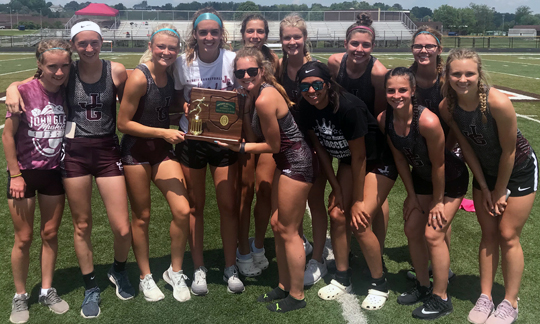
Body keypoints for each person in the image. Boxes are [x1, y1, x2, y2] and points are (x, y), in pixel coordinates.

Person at [5, 20, 133, 318]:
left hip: (106, 149)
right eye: (82, 43)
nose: (89, 48)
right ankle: (90, 285)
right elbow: (34, 81)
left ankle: (118, 270)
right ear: (74, 46)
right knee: (82, 225)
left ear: (102, 42)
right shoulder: (67, 71)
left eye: (94, 42)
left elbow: (134, 102)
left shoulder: (115, 70)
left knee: (122, 227)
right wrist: (13, 87)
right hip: (73, 153)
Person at [440, 48, 537, 324]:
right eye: (456, 73)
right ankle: (485, 296)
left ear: (479, 74)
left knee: (507, 234)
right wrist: (482, 184)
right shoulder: (447, 106)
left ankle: (510, 301)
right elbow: (466, 147)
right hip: (485, 172)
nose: (462, 79)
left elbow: (508, 152)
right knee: (489, 233)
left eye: (469, 73)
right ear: (447, 75)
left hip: (517, 170)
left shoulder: (498, 103)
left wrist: (499, 191)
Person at [217, 46, 316, 313]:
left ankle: (296, 295)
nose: (246, 76)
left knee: (289, 231)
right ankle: (284, 285)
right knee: (277, 223)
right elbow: (256, 136)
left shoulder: (264, 98)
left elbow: (271, 145)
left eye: (251, 71)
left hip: (296, 162)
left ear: (262, 70)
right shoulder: (256, 94)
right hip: (288, 161)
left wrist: (237, 148)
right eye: (240, 72)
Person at [297, 61, 391, 310]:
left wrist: (358, 199)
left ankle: (379, 283)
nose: (311, 91)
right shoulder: (306, 107)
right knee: (337, 213)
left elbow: (361, 157)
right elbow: (321, 150)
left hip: (377, 162)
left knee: (359, 221)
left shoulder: (349, 107)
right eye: (305, 86)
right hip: (349, 162)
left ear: (328, 84)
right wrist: (336, 188)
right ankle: (342, 277)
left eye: (317, 84)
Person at [379, 67, 468, 320]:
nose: (397, 95)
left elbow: (439, 165)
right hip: (421, 180)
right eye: (391, 90)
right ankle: (422, 285)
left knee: (433, 233)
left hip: (450, 180)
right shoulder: (384, 119)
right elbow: (399, 158)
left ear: (413, 91)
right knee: (411, 230)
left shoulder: (427, 121)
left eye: (403, 90)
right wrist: (412, 195)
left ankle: (441, 298)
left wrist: (438, 202)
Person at [172, 7, 245, 294]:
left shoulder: (232, 60)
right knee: (195, 207)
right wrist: (185, 107)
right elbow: (180, 94)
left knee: (227, 205)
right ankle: (199, 267)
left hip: (223, 141)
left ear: (221, 33)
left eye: (214, 31)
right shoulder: (182, 63)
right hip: (193, 140)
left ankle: (230, 267)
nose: (209, 37)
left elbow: (244, 90)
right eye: (203, 32)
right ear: (196, 35)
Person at [117, 24, 191, 303]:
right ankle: (145, 276)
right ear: (151, 44)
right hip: (136, 152)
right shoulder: (139, 77)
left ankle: (175, 271)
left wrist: (183, 110)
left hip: (161, 151)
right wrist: (163, 132)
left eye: (172, 48)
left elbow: (164, 109)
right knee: (142, 216)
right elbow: (124, 123)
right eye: (161, 46)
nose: (167, 52)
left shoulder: (172, 74)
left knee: (183, 210)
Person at [3, 39, 71, 324]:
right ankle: (20, 296)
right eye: (52, 66)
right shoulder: (23, 92)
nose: (59, 72)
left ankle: (46, 289)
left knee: (50, 234)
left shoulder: (68, 90)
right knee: (24, 237)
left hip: (55, 173)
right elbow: (7, 136)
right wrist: (15, 175)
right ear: (40, 66)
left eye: (64, 66)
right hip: (25, 174)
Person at [327, 13, 394, 271]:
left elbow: (377, 116)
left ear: (372, 47)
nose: (359, 49)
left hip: (371, 138)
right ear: (346, 43)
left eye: (366, 45)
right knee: (341, 204)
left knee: (375, 201)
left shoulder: (378, 73)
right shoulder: (335, 63)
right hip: (346, 139)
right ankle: (351, 251)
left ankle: (377, 249)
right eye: (355, 43)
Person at [277, 13, 329, 287]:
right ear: (281, 40)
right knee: (291, 207)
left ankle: (318, 256)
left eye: (297, 37)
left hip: (315, 142)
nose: (292, 42)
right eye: (287, 37)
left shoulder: (317, 67)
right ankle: (302, 245)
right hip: (287, 146)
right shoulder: (279, 67)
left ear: (305, 38)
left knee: (315, 201)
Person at [407, 26, 456, 283]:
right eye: (418, 46)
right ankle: (430, 265)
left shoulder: (448, 81)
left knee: (439, 217)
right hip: (419, 158)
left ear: (439, 49)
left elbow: (457, 122)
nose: (423, 50)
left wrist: (445, 152)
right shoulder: (407, 78)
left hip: (445, 155)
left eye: (429, 46)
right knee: (424, 212)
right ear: (411, 48)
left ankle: (443, 270)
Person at [235, 13, 280, 277]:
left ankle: (259, 246)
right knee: (244, 192)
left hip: (265, 136)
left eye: (260, 31)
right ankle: (242, 250)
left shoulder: (274, 60)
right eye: (250, 31)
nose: (255, 36)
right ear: (243, 33)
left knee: (265, 190)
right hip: (240, 133)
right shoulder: (234, 58)